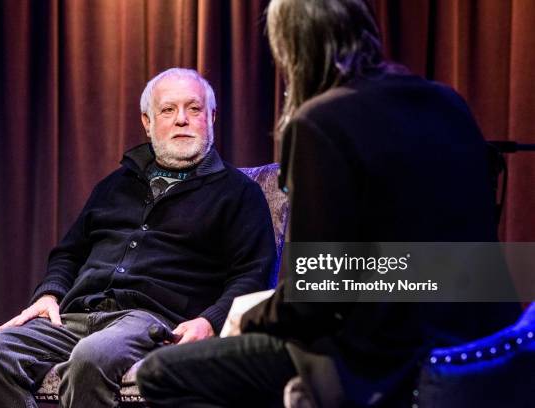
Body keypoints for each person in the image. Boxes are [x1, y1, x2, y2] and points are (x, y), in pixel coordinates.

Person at [136, 1, 522, 407]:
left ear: (292, 48)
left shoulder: (321, 120)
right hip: (482, 343)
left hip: (385, 357)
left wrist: (248, 320)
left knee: (161, 373)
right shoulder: (447, 102)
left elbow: (317, 297)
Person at [0, 67, 277, 408]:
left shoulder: (238, 193)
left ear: (212, 117)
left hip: (151, 320)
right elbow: (68, 253)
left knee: (91, 357)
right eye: (168, 110)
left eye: (194, 109)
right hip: (77, 316)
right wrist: (49, 294)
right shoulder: (114, 185)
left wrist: (210, 320)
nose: (181, 120)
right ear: (147, 122)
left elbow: (251, 274)